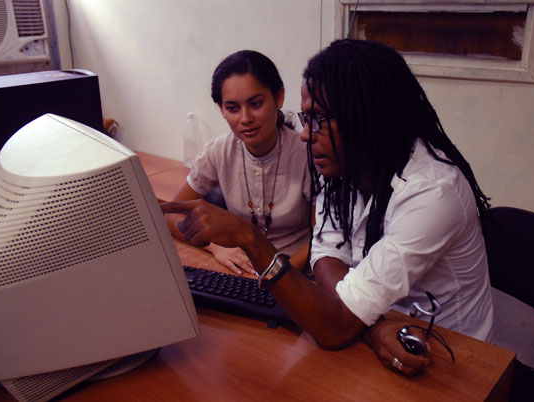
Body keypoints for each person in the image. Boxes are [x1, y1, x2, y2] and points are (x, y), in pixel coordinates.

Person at [161, 39, 494, 376]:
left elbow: (333, 330)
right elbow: (325, 254)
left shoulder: (431, 194)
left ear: (366, 115)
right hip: (375, 335)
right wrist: (366, 322)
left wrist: (250, 238)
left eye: (319, 118)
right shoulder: (344, 167)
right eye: (306, 118)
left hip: (445, 358)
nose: (305, 134)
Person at [165, 50, 314, 275]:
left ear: (278, 97)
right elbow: (171, 214)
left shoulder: (308, 155)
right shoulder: (218, 151)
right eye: (233, 108)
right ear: (221, 109)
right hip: (241, 271)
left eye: (255, 104)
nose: (245, 118)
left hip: (297, 273)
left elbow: (322, 237)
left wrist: (280, 278)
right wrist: (216, 248)